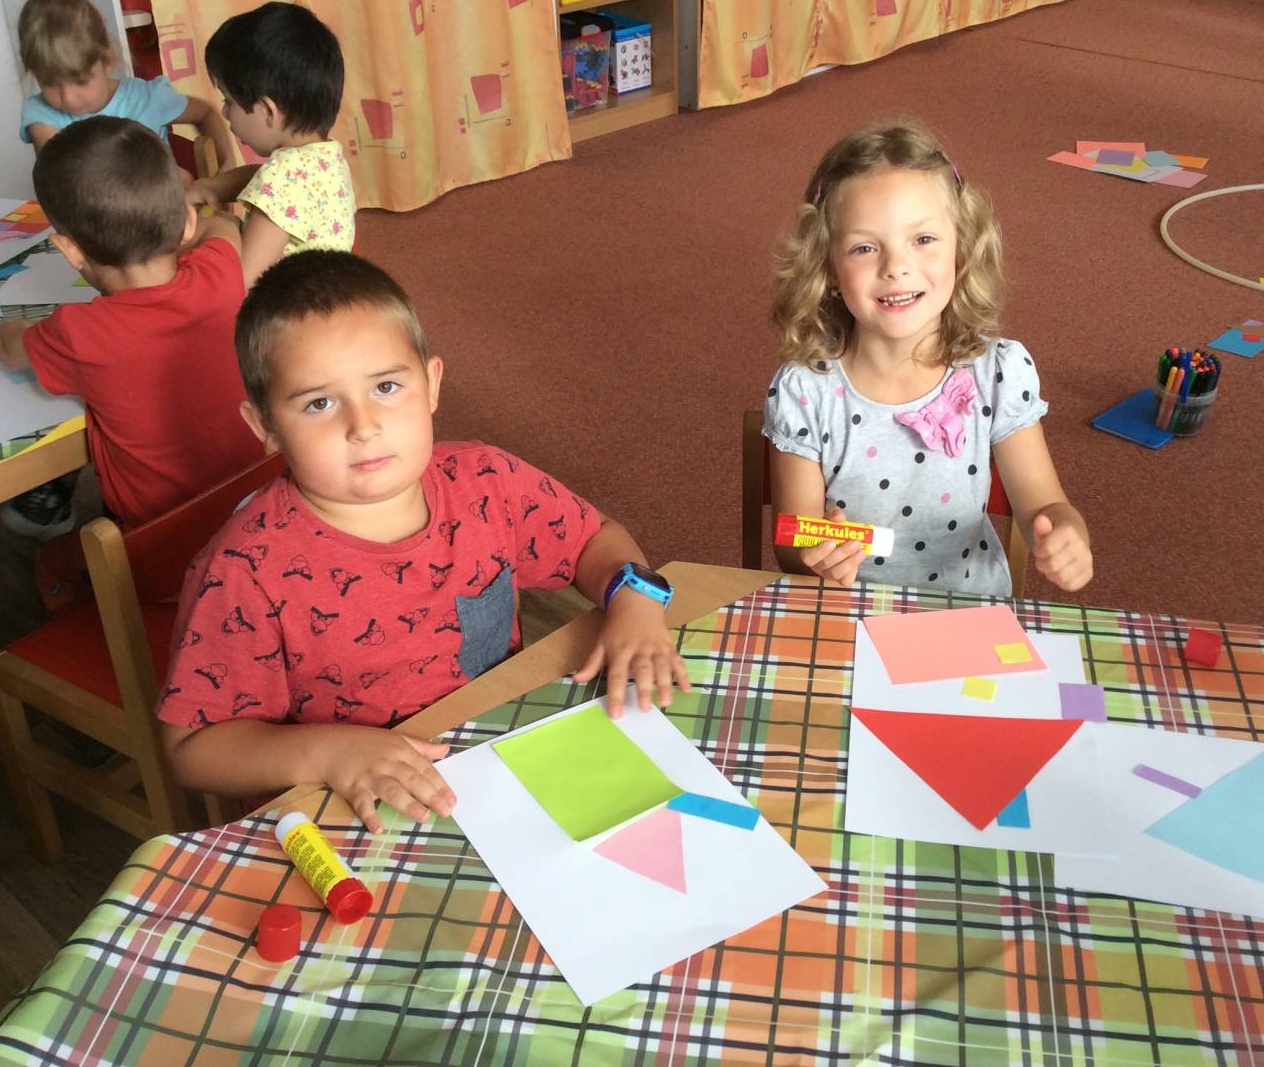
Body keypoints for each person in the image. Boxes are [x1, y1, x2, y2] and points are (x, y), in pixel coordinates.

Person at [156, 251, 685, 832]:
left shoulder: (489, 480)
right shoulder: (241, 569)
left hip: (497, 761)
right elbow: (193, 747)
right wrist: (329, 752)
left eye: (386, 386)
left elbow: (594, 539)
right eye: (319, 403)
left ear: (431, 384)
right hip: (354, 810)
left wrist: (636, 599)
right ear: (265, 426)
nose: (363, 426)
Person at [764, 120, 1091, 595]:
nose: (896, 267)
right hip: (848, 612)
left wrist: (1066, 533)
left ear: (961, 246)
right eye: (864, 247)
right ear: (828, 267)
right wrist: (817, 557)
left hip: (969, 611)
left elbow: (1044, 505)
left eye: (923, 239)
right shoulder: (804, 390)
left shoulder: (999, 373)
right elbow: (792, 543)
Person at [0, 118, 263, 595]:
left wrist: (9, 332)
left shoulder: (77, 332)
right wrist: (197, 222)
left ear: (69, 250)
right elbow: (223, 227)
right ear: (185, 224)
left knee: (64, 554)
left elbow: (12, 352)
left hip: (160, 562)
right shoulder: (219, 271)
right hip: (257, 524)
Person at [187, 2, 355, 282]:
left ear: (267, 111)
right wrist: (210, 187)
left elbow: (243, 283)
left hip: (284, 305)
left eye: (229, 101)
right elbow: (263, 177)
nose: (225, 113)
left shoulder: (282, 177)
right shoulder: (324, 157)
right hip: (328, 291)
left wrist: (215, 228)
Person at [16, 0, 236, 163]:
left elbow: (205, 113)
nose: (68, 98)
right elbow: (66, 182)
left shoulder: (147, 98)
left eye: (81, 81)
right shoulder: (42, 116)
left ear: (108, 60)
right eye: (49, 83)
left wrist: (227, 164)